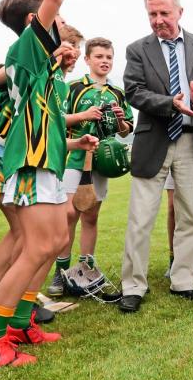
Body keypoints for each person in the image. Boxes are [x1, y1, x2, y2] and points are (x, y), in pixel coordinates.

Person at [0, 0, 97, 367]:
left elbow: (50, 118)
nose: (61, 21)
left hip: (50, 163)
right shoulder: (25, 47)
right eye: (55, 17)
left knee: (57, 239)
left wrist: (75, 143)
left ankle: (20, 321)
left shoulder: (43, 65)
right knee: (37, 247)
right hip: (30, 162)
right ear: (33, 21)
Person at [118, 0, 193, 314]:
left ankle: (184, 280)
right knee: (140, 219)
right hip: (153, 140)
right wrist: (170, 104)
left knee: (190, 214)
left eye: (164, 13)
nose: (158, 20)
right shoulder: (137, 49)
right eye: (152, 14)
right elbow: (133, 91)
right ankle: (133, 286)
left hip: (192, 141)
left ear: (179, 12)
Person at [50, 36, 134, 296]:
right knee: (69, 215)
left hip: (102, 161)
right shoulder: (73, 87)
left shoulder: (117, 93)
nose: (104, 61)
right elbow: (55, 121)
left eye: (109, 57)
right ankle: (61, 272)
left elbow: (126, 130)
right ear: (87, 59)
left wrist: (120, 121)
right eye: (99, 56)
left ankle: (86, 268)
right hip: (73, 159)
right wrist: (85, 115)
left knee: (91, 215)